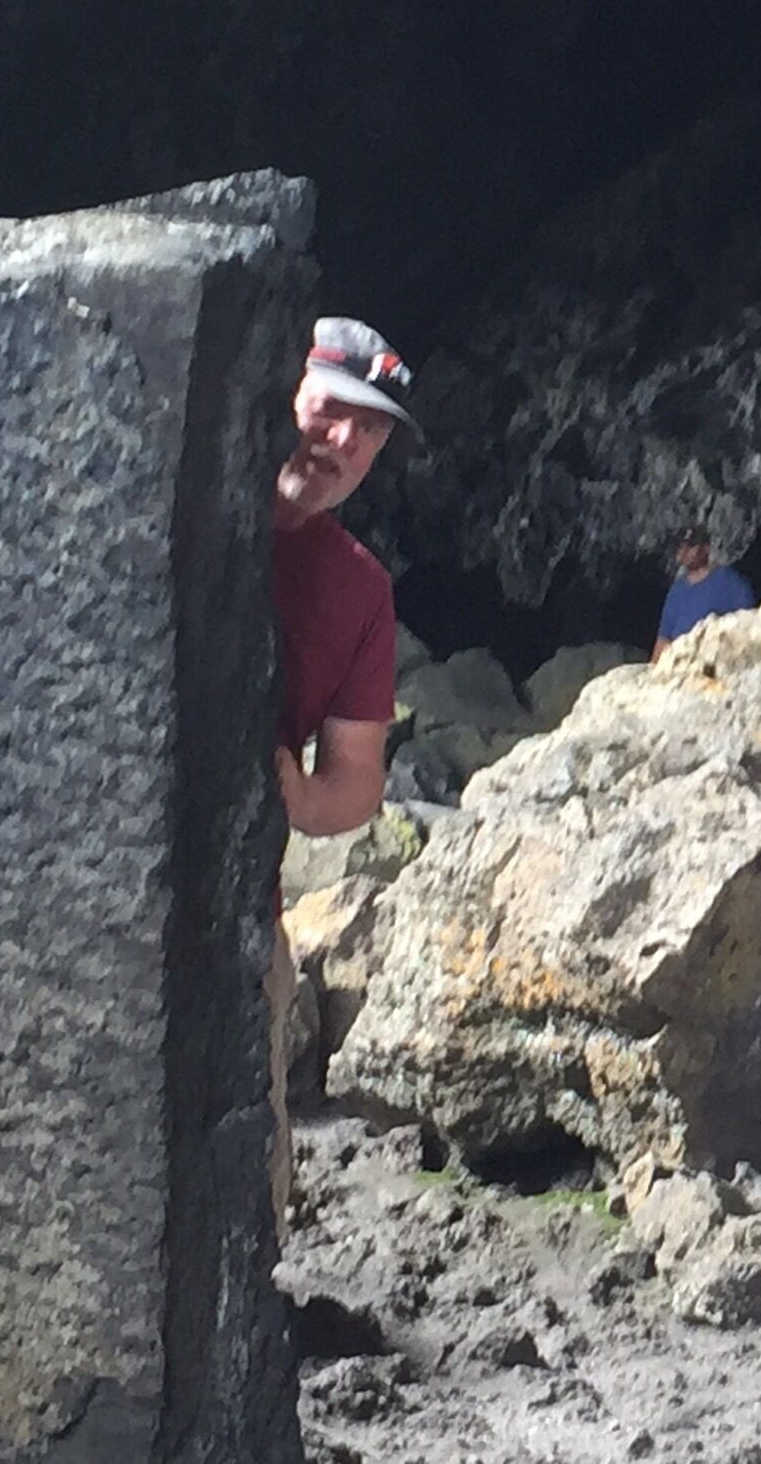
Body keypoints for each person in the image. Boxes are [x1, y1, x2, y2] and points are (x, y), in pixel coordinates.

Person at [268, 316, 420, 1220]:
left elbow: (358, 779)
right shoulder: (163, 505)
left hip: (246, 919)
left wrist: (297, 797)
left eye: (372, 432)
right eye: (333, 410)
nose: (346, 442)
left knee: (252, 1172)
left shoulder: (361, 589)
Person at [652, 521, 755, 661]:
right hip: (678, 661)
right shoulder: (676, 591)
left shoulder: (729, 581)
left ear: (706, 548)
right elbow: (663, 638)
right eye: (680, 547)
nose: (685, 551)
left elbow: (748, 620)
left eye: (691, 546)